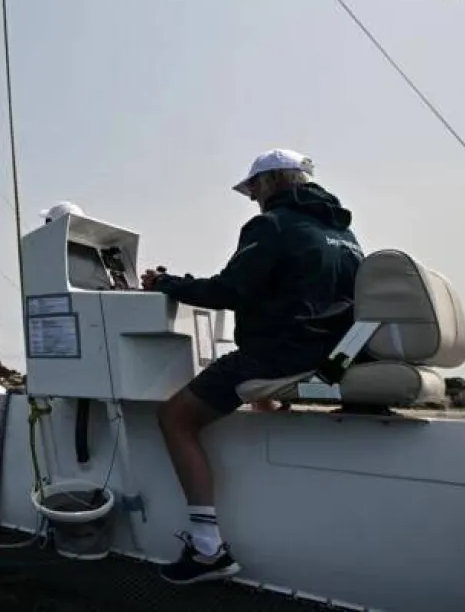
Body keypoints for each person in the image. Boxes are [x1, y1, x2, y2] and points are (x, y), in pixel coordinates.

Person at [140, 149, 363, 586]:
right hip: (336, 357)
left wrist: (164, 283)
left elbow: (229, 290)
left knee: (174, 416)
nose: (252, 199)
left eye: (254, 188)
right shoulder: (344, 232)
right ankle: (267, 396)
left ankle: (207, 549)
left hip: (281, 354)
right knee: (245, 390)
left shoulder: (271, 225)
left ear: (271, 182)